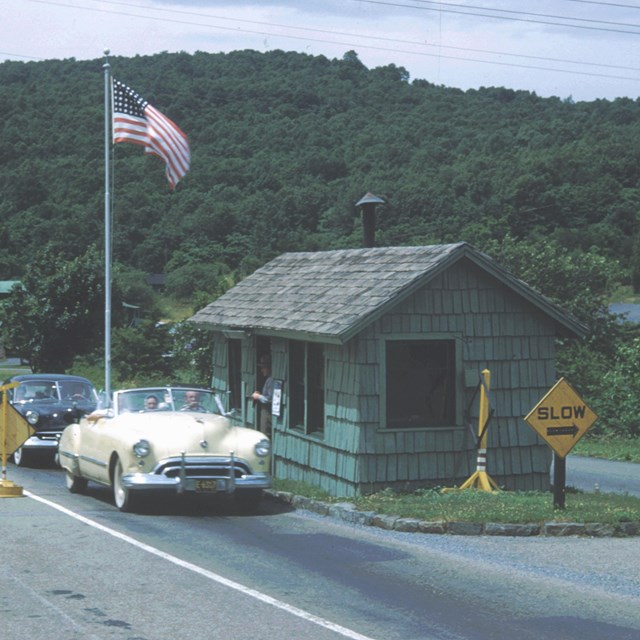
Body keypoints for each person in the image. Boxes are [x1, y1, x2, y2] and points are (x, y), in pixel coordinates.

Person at [251, 354, 273, 437]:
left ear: (268, 368)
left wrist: (258, 396)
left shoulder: (271, 380)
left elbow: (269, 399)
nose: (262, 370)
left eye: (263, 368)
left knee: (265, 434)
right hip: (265, 410)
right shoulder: (268, 379)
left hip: (268, 411)